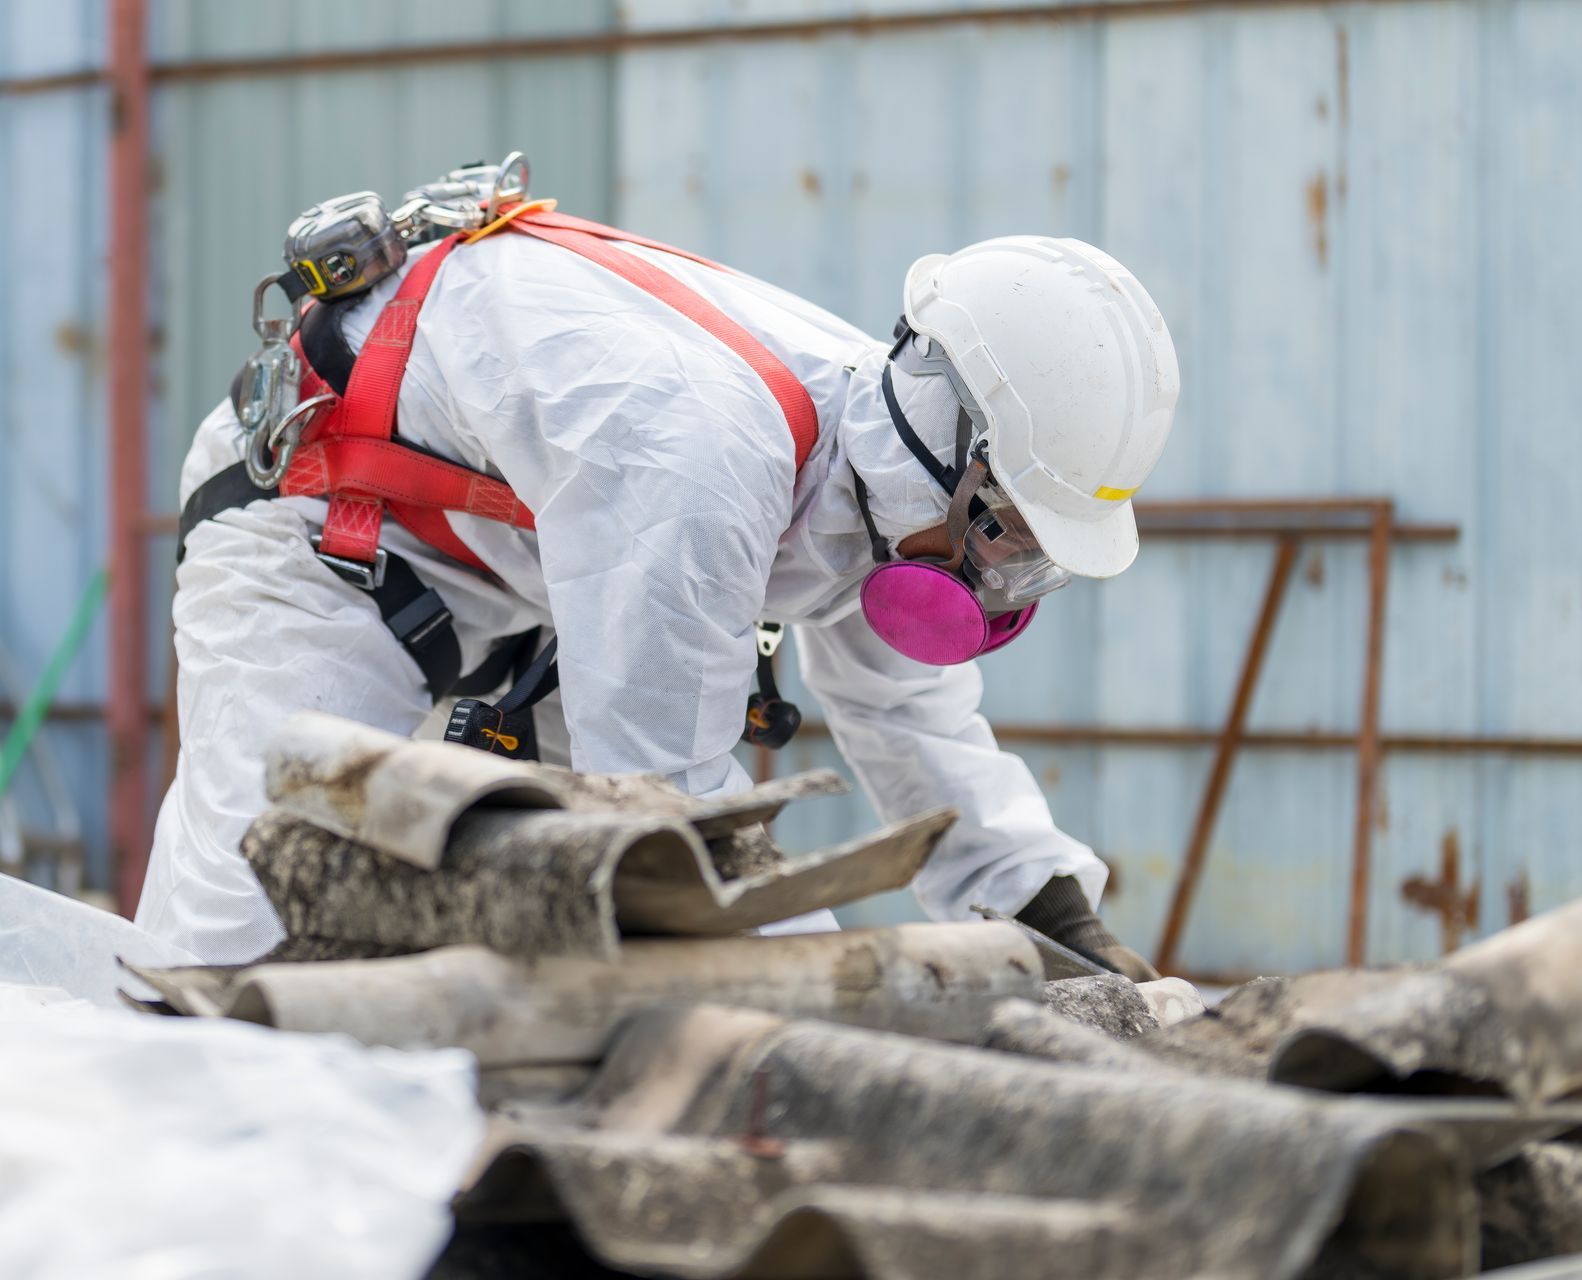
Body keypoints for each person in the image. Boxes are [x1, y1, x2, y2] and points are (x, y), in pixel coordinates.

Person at [136, 202, 1181, 977]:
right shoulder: (698, 450)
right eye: (1006, 536)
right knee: (244, 933)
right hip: (325, 517)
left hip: (528, 574)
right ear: (951, 444)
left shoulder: (876, 468)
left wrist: (1046, 909)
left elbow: (906, 710)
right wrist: (866, 991)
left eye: (1034, 560)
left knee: (548, 947)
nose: (999, 585)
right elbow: (664, 803)